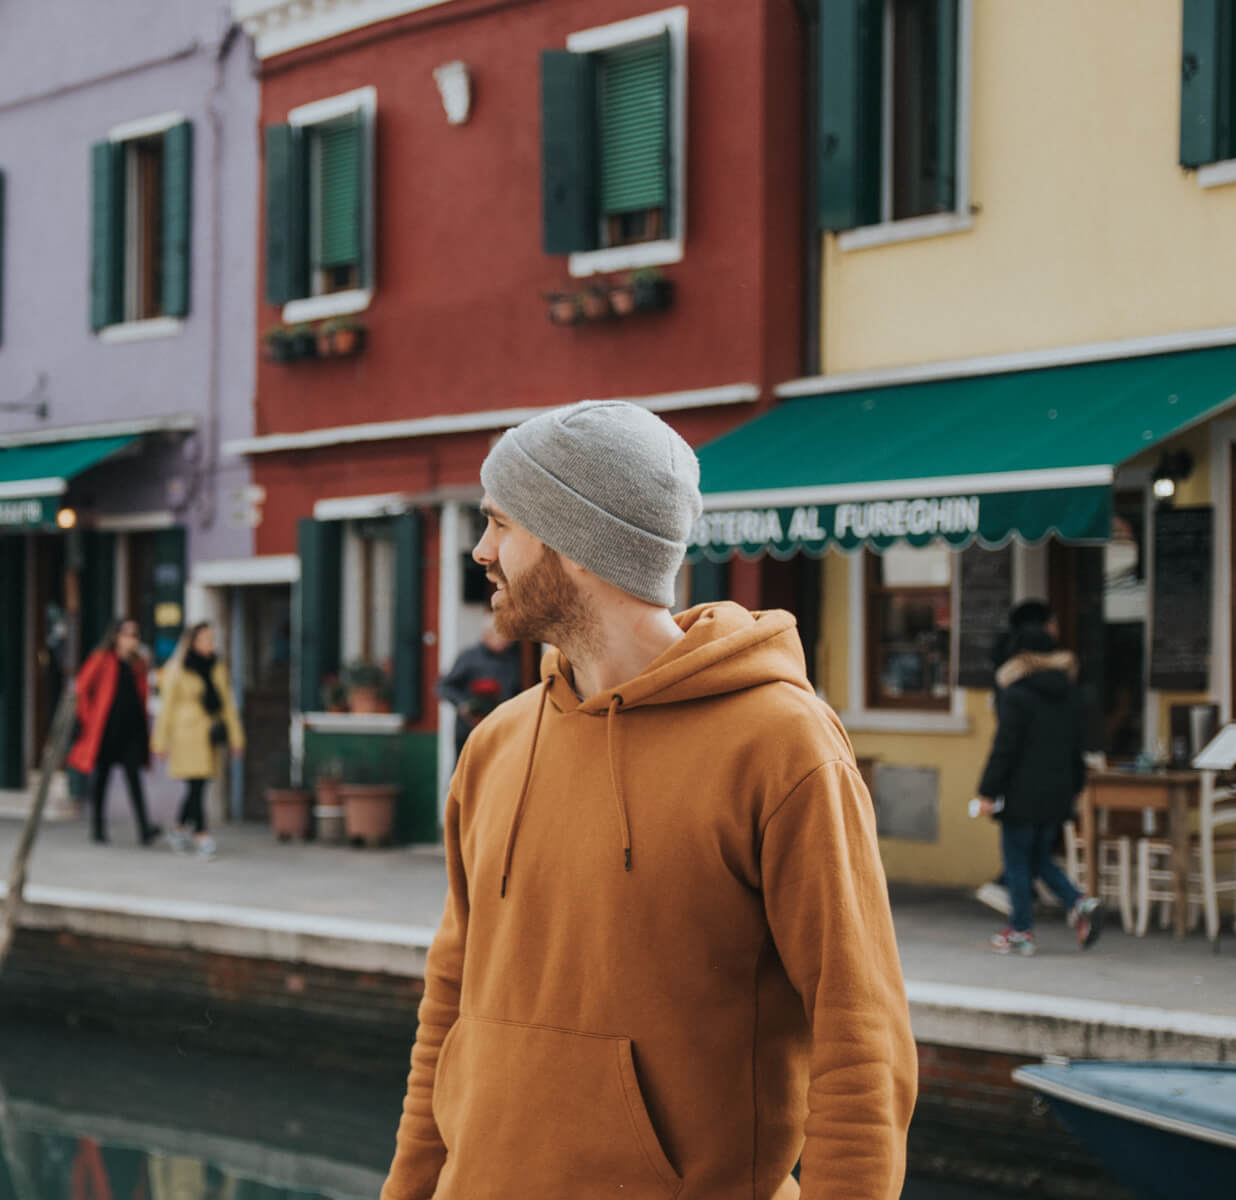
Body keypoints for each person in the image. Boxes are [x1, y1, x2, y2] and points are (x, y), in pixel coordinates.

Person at [382, 401, 915, 1200]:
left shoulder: (781, 744)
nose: (480, 551)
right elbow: (449, 1006)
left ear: (580, 544)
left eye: (501, 524)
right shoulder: (495, 744)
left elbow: (860, 1042)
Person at [975, 624, 1102, 955]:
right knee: (1037, 858)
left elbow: (1005, 747)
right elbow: (1077, 747)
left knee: (1017, 860)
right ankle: (1080, 903)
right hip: (1058, 792)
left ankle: (1020, 930)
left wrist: (987, 791)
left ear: (1021, 658)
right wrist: (1076, 786)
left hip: (1021, 792)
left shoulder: (1015, 695)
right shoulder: (1070, 693)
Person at [151, 621, 245, 859]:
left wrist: (236, 737)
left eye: (212, 639)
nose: (209, 644)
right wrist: (160, 742)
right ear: (192, 641)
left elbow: (227, 705)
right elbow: (167, 708)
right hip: (186, 734)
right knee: (196, 784)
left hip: (209, 734)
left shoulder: (217, 667)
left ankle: (179, 827)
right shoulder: (178, 668)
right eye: (204, 639)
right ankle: (201, 834)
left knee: (200, 784)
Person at [68, 618, 161, 846]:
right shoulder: (102, 659)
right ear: (116, 637)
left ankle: (144, 828)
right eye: (128, 635)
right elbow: (81, 688)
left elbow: (141, 695)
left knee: (134, 778)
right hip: (105, 730)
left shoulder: (138, 664)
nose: (133, 640)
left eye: (135, 635)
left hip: (131, 730)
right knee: (101, 779)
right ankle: (98, 828)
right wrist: (89, 719)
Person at [435, 625, 522, 757]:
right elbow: (445, 686)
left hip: (501, 726)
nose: (508, 641)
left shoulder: (514, 659)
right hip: (471, 727)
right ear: (487, 635)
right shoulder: (469, 657)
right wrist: (463, 704)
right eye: (504, 637)